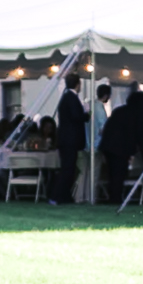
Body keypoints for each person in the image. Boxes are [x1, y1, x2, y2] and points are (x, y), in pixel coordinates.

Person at [57, 75, 89, 204]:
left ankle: (64, 195)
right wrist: (86, 114)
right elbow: (76, 116)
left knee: (68, 168)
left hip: (66, 139)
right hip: (70, 139)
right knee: (68, 168)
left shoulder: (66, 98)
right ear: (78, 84)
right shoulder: (72, 98)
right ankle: (59, 195)